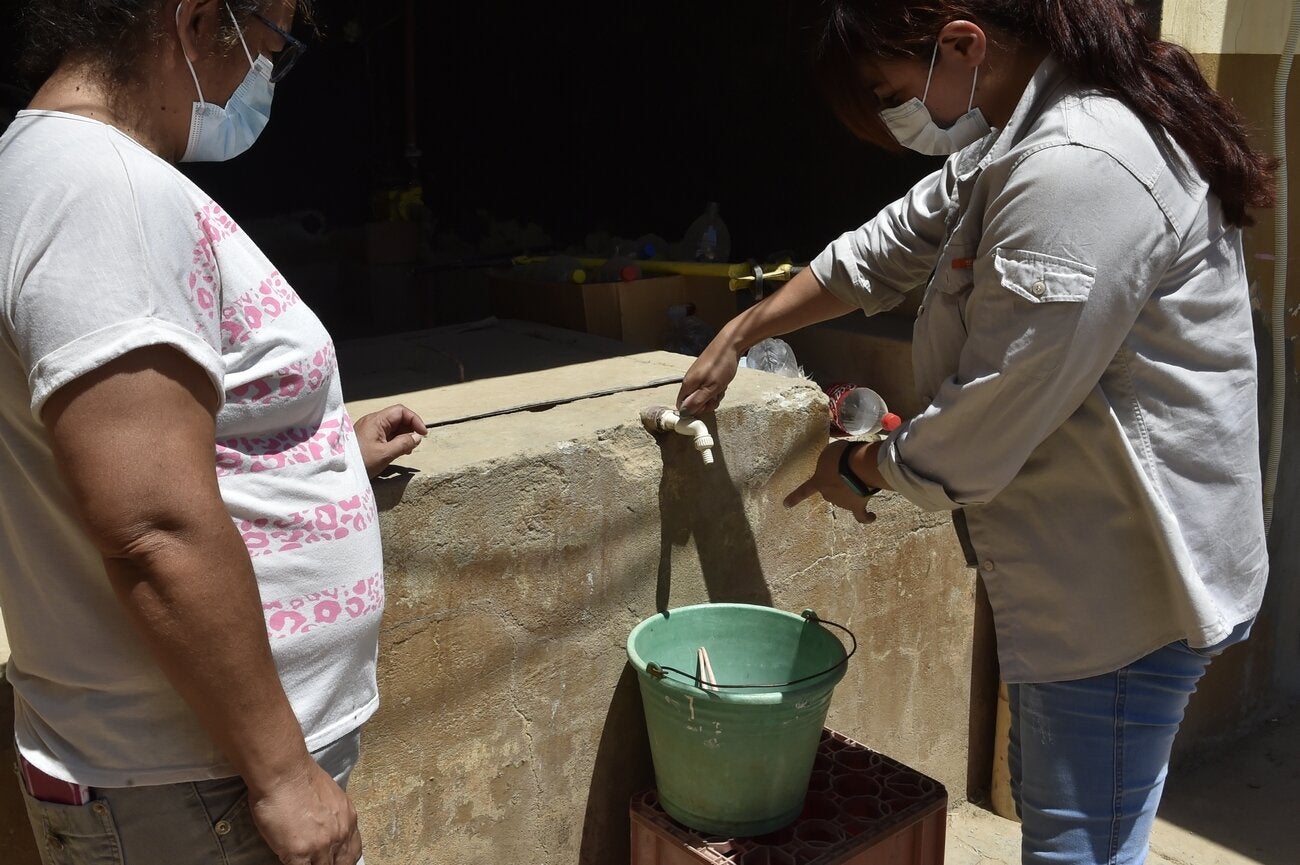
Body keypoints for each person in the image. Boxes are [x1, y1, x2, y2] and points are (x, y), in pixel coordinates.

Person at [678, 2, 1272, 863]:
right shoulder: (1023, 135)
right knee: (1061, 807)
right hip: (1077, 560)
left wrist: (868, 467)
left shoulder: (1079, 167)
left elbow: (985, 424)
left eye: (889, 90)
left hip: (1125, 586)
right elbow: (888, 245)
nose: (893, 115)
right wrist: (745, 331)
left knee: (1080, 843)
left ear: (961, 45)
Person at [0, 2, 426, 863]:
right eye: (274, 44)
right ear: (198, 23)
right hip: (201, 787)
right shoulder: (101, 192)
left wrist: (322, 445)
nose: (266, 76)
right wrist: (280, 775)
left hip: (195, 778)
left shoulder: (54, 172)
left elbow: (143, 434)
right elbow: (153, 525)